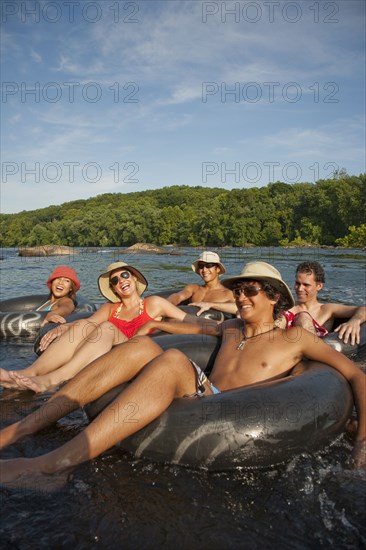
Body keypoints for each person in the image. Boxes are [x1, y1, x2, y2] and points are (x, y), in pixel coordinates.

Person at [0, 261, 365, 487]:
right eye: (238, 291)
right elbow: (193, 330)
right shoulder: (232, 327)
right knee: (145, 347)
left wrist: (362, 441)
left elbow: (356, 377)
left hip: (235, 411)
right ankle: (25, 427)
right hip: (203, 395)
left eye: (250, 291)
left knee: (173, 360)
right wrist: (150, 325)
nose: (241, 298)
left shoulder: (294, 338)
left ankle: (53, 465)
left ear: (273, 297)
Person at [0, 262, 197, 393]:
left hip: (136, 351)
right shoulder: (110, 308)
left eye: (125, 275)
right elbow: (87, 323)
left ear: (134, 278)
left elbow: (188, 318)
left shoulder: (154, 303)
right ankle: (29, 372)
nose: (121, 281)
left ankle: (52, 380)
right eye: (115, 280)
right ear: (113, 288)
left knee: (106, 328)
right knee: (85, 325)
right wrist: (63, 327)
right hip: (107, 351)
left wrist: (221, 325)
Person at [280, 261, 365, 344]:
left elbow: (363, 309)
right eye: (297, 283)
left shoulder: (327, 309)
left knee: (303, 317)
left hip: (317, 352)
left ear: (319, 286)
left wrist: (355, 321)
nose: (299, 289)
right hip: (285, 349)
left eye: (306, 285)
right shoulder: (287, 308)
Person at [167, 251, 237, 315]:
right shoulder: (193, 288)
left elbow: (239, 308)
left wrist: (210, 305)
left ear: (218, 269)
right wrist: (168, 304)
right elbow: (178, 296)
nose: (204, 270)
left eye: (209, 265)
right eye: (201, 266)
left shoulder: (228, 294)